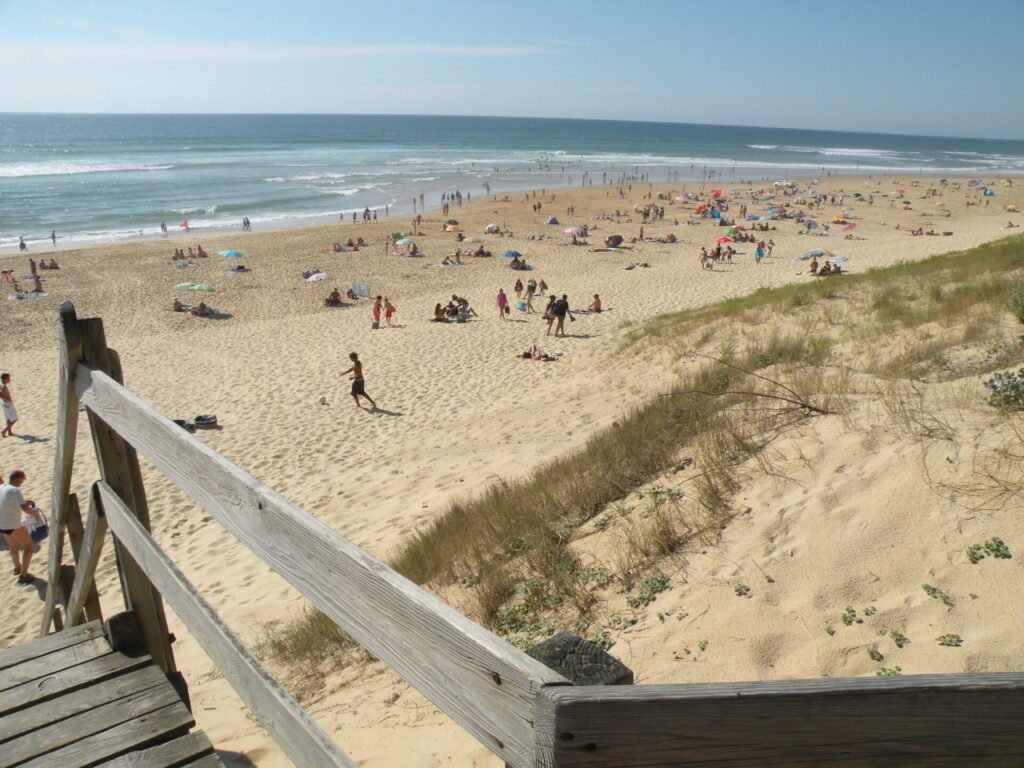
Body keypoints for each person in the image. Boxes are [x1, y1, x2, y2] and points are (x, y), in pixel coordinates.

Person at [1, 470, 43, 583]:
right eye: (22, 480)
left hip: (2, 524)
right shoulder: (15, 490)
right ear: (17, 479)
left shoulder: (2, 487)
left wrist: (25, 501)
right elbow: (24, 508)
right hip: (13, 524)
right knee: (29, 546)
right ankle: (24, 575)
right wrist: (35, 515)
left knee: (13, 546)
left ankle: (17, 568)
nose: (22, 483)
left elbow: (7, 501)